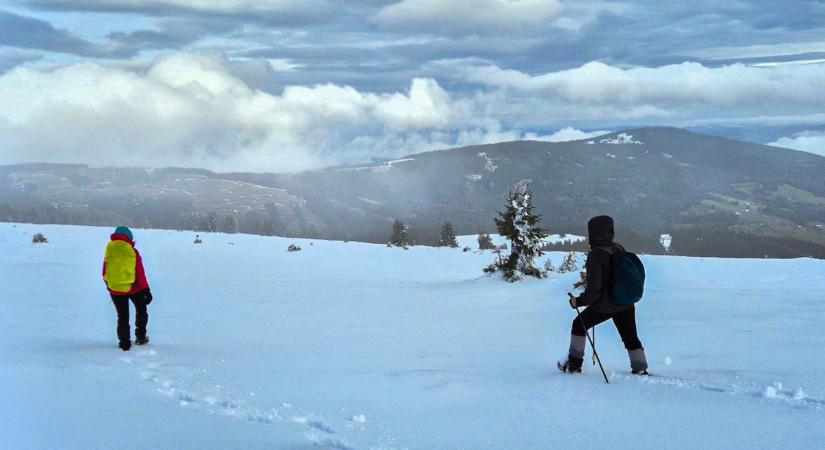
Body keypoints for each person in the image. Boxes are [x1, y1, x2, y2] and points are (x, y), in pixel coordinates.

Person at [559, 215, 648, 375]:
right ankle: (640, 368)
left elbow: (594, 291)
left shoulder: (596, 255)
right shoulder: (618, 248)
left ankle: (574, 365)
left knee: (579, 325)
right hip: (625, 302)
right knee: (630, 336)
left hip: (606, 305)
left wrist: (577, 302)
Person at [102, 226, 153, 351]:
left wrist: (109, 285)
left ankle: (124, 342)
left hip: (116, 289)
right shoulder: (132, 251)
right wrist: (146, 290)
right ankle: (140, 337)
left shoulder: (110, 250)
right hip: (135, 288)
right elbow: (140, 273)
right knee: (141, 310)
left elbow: (105, 271)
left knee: (122, 315)